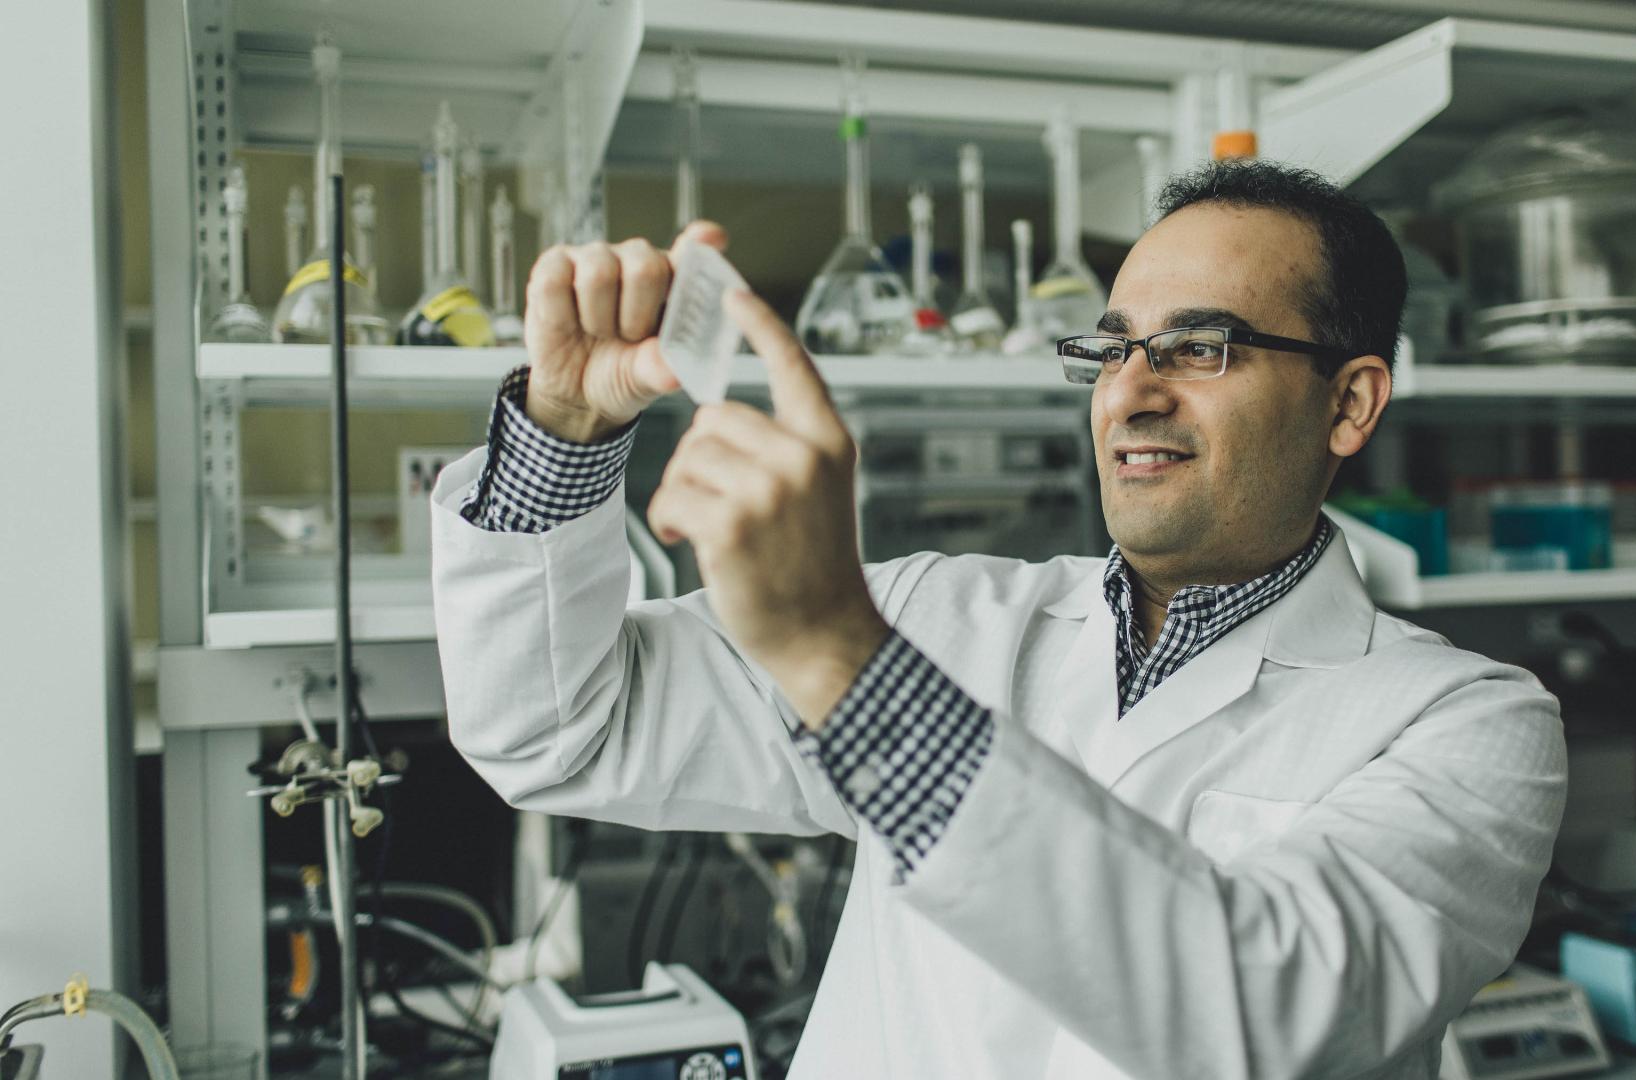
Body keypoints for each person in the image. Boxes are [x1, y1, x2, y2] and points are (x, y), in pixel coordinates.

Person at [430, 159, 1566, 1079]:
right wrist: (564, 438)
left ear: (1351, 400)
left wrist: (845, 659)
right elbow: (556, 730)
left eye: (1200, 348)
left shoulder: (1469, 725)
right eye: (1113, 347)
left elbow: (1264, 1022)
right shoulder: (940, 614)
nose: (1133, 388)